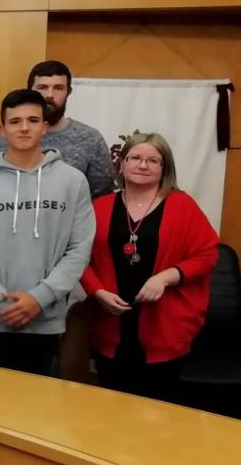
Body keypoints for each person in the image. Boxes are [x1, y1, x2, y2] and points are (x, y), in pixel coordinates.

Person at [0, 90, 95, 376]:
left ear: (45, 126)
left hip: (44, 318)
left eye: (33, 120)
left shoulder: (72, 181)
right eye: (15, 121)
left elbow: (79, 248)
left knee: (35, 412)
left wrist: (39, 298)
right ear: (2, 128)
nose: (24, 127)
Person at [80, 132, 218, 403]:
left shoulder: (182, 205)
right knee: (113, 407)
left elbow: (207, 254)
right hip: (110, 325)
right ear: (121, 164)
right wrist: (96, 291)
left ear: (164, 168)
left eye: (153, 160)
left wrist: (166, 278)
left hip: (164, 329)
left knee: (158, 413)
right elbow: (78, 258)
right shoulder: (99, 207)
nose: (143, 165)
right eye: (136, 158)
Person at [0, 61, 114, 199]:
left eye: (58, 88)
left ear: (68, 92)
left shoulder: (90, 139)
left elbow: (101, 199)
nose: (49, 95)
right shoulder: (2, 140)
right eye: (42, 87)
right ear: (30, 89)